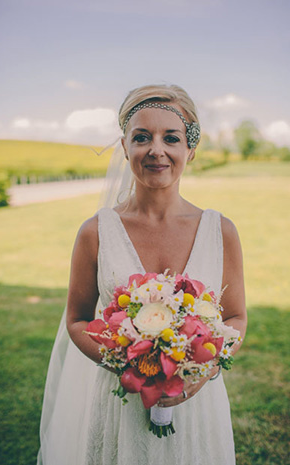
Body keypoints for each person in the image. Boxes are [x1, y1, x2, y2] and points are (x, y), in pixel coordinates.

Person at [37, 84, 247, 465]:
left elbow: (235, 317)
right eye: (142, 137)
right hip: (120, 406)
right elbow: (77, 319)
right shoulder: (94, 231)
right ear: (124, 147)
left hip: (197, 406)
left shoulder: (221, 231)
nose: (156, 149)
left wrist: (200, 373)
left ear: (190, 150)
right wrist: (126, 363)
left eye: (171, 138)